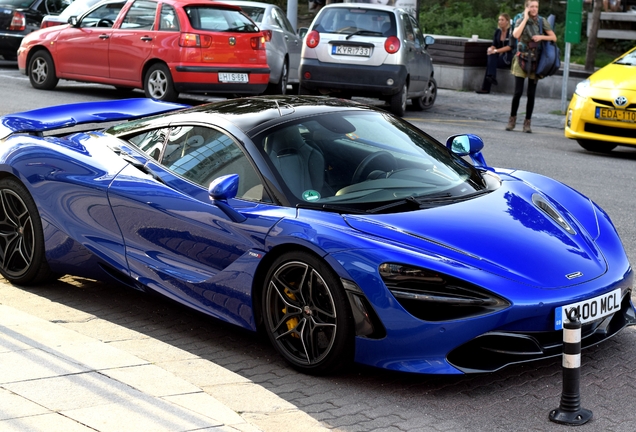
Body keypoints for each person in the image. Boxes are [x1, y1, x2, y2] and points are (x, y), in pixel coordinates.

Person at [505, 0, 556, 133]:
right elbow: (516, 35)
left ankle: (527, 122)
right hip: (521, 57)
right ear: (526, 8)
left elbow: (553, 37)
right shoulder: (520, 19)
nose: (534, 9)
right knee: (517, 92)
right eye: (532, 6)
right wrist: (525, 18)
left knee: (531, 94)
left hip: (535, 59)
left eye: (536, 6)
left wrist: (541, 37)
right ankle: (512, 119)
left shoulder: (541, 21)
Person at [476, 14, 513, 94]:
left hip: (508, 57)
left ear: (507, 21)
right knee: (490, 56)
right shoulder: (498, 31)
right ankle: (491, 76)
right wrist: (490, 49)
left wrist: (496, 51)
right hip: (498, 56)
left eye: (502, 20)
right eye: (499, 20)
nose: (500, 22)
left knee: (491, 62)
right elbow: (494, 44)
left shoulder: (511, 31)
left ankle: (486, 86)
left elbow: (510, 47)